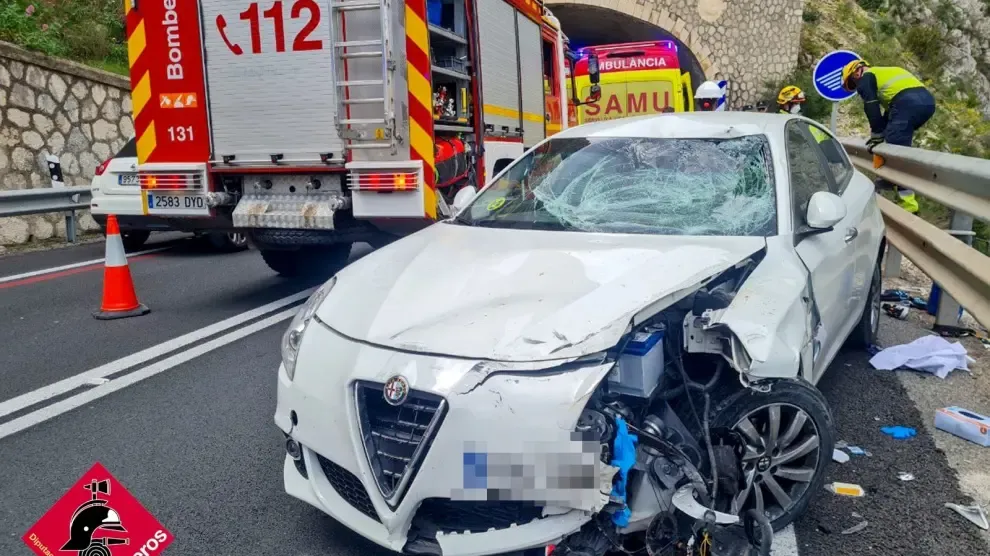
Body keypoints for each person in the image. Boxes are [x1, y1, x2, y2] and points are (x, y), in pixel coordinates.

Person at [842, 59, 936, 214]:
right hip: (926, 102)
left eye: (852, 83)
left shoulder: (866, 77)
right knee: (894, 139)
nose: (856, 88)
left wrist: (877, 133)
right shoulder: (885, 72)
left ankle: (909, 204)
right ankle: (886, 179)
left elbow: (871, 105)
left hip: (907, 103)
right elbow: (892, 111)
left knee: (896, 150)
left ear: (857, 72)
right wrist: (880, 133)